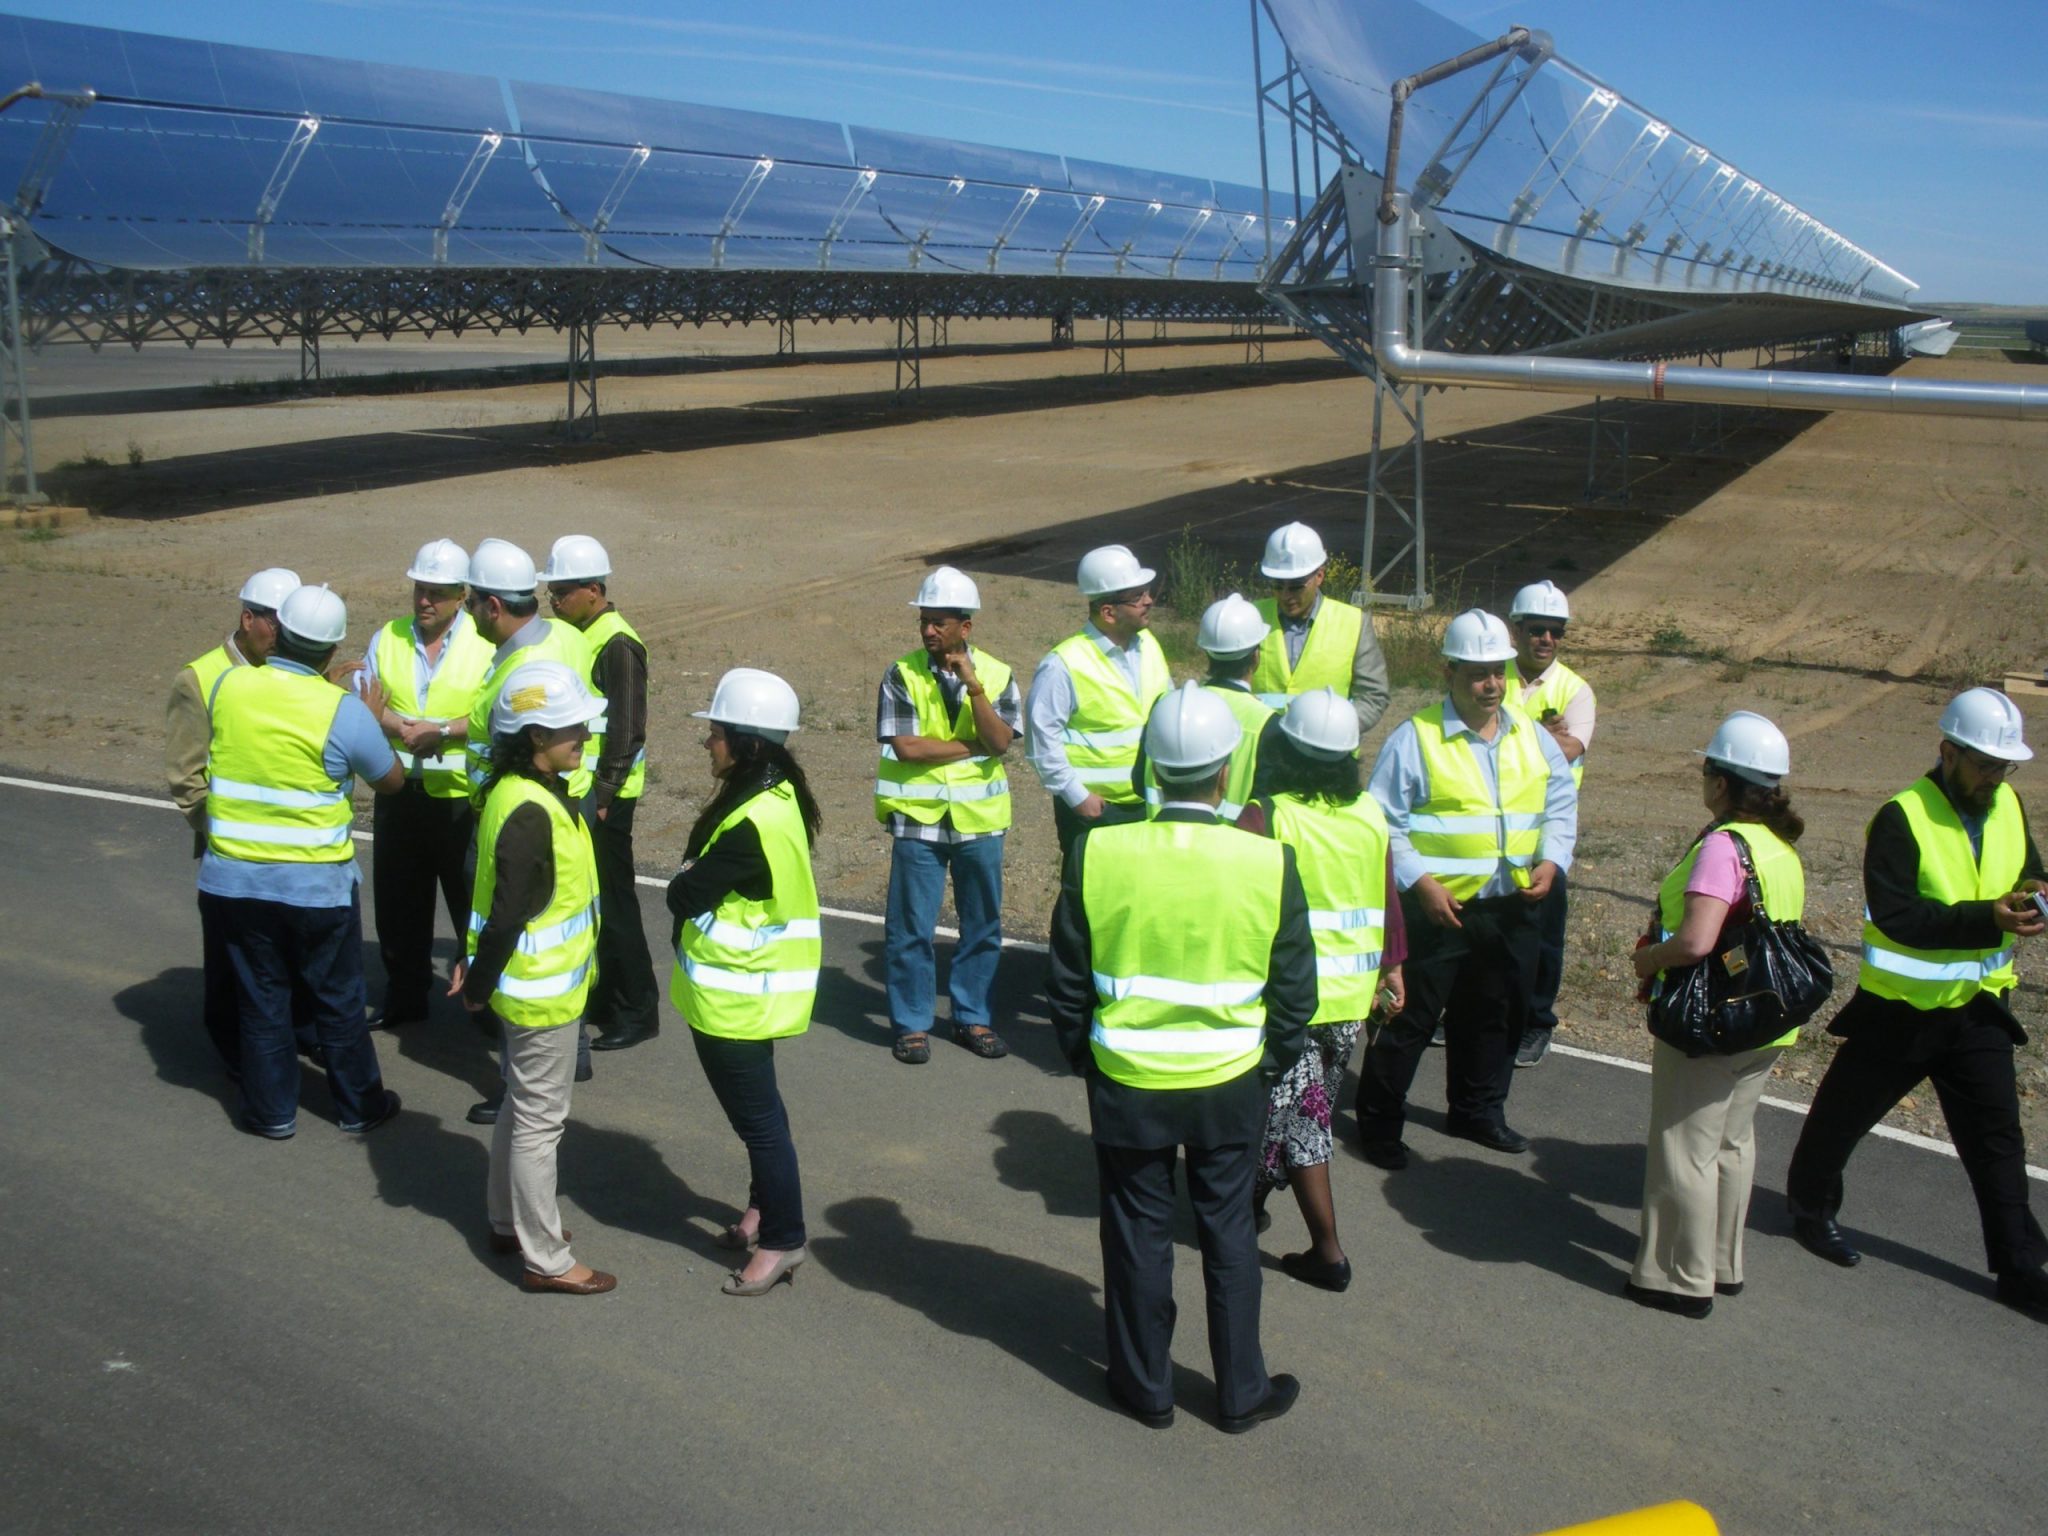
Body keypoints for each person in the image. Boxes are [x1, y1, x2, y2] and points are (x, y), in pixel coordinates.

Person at [1047, 683, 1314, 1433]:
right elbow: (1296, 994)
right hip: (1231, 1078)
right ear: (1225, 771)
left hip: (1127, 1077)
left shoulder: (1097, 850)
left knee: (1137, 1230)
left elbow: (1066, 981)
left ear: (1150, 768)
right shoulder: (1268, 862)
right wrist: (1265, 1067)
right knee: (1227, 1232)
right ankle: (1240, 1393)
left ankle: (1145, 1387)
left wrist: (1087, 1058)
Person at [1785, 688, 2048, 1322]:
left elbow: (2031, 869)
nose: (1995, 777)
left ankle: (2020, 1268)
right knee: (1841, 1119)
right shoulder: (1901, 816)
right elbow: (1898, 915)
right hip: (1900, 1012)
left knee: (1997, 1140)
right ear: (1947, 752)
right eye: (1985, 763)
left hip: (1977, 1010)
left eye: (2004, 766)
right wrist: (1988, 917)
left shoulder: (2007, 803)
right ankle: (1810, 1209)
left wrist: (2038, 893)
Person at [1356, 609, 1577, 1167]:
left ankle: (1478, 1111)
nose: (1492, 684)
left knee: (1497, 1013)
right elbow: (1384, 822)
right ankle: (1380, 1123)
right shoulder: (1418, 736)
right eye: (1479, 673)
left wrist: (1553, 859)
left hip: (1512, 905)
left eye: (1499, 671)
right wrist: (1420, 883)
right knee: (1407, 1018)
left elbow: (1559, 804)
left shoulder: (1530, 734)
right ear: (1449, 671)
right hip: (1438, 908)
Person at [199, 583, 406, 1138]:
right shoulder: (341, 710)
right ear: (332, 652)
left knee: (262, 998)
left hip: (235, 879)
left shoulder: (229, 686)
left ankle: (271, 1113)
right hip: (316, 886)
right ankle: (360, 1105)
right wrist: (364, 715)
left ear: (279, 633)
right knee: (338, 1000)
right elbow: (391, 780)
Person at [1626, 712, 1807, 1319]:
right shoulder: (1780, 847)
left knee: (1685, 1148)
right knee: (1732, 1142)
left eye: (1708, 769)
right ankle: (1724, 1263)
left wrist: (1647, 959)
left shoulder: (1723, 848)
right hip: (1768, 1021)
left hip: (1712, 1021)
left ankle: (1680, 1277)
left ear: (1723, 782)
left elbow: (1698, 941)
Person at [450, 659, 615, 1296]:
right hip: (541, 994)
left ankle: (505, 1221)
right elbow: (508, 913)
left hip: (533, 986)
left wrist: (480, 978)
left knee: (520, 1108)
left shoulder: (522, 793)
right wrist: (479, 988)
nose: (583, 735)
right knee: (541, 1122)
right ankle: (545, 1257)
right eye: (571, 727)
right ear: (536, 737)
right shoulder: (530, 810)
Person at [1238, 688, 1405, 1292]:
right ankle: (1249, 1203)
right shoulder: (1368, 813)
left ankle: (1328, 1253)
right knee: (1292, 1112)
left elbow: (1239, 903)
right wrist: (1392, 969)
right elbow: (1386, 898)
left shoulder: (1268, 815)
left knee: (1301, 1124)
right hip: (1348, 1003)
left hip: (1290, 1003)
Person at [667, 668, 823, 1297]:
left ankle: (784, 1239)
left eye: (717, 732)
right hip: (751, 992)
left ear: (747, 743)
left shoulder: (748, 822)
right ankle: (763, 1210)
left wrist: (687, 874)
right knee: (763, 1118)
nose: (709, 742)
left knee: (760, 1125)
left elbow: (683, 892)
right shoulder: (778, 793)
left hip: (734, 998)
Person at [460, 537, 592, 1122]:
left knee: (519, 917)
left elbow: (509, 912)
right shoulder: (557, 636)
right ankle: (562, 1058)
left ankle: (522, 1084)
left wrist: (477, 985)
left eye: (470, 605)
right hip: (553, 802)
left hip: (531, 808)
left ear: (492, 606)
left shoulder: (527, 668)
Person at [874, 566, 1022, 1066]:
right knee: (911, 928)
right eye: (924, 621)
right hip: (918, 820)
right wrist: (969, 746)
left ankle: (972, 1017)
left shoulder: (998, 676)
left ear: (966, 627)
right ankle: (912, 1024)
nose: (928, 630)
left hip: (979, 822)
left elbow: (1001, 741)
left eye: (939, 622)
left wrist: (974, 687)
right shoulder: (901, 673)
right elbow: (908, 747)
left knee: (983, 925)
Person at [167, 565, 299, 1070]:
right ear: (248, 619)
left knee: (281, 955)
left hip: (289, 842)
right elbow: (186, 776)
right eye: (275, 623)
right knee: (231, 958)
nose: (283, 635)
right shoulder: (199, 678)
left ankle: (286, 1038)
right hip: (231, 848)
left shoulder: (285, 670)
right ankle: (233, 1051)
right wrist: (222, 831)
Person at [359, 539, 493, 1029]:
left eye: (436, 592)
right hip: (399, 792)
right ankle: (404, 997)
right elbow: (367, 697)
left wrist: (443, 731)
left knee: (469, 904)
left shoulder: (484, 643)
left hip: (461, 798)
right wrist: (403, 729)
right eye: (419, 589)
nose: (424, 601)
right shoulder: (387, 637)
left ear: (462, 595)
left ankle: (483, 1002)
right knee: (398, 905)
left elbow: (491, 710)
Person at [540, 535, 661, 1054]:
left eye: (563, 592)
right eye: (552, 593)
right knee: (592, 900)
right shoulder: (582, 634)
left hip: (608, 795)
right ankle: (608, 998)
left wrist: (607, 792)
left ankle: (637, 1010)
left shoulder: (616, 643)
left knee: (613, 903)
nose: (556, 602)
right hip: (587, 789)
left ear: (593, 590)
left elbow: (628, 729)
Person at [1503, 579, 1596, 1069]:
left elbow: (1570, 750)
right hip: (1490, 827)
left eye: (1556, 632)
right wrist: (1541, 734)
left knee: (1543, 936)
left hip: (1546, 833)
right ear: (1516, 630)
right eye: (1537, 629)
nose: (1546, 639)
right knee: (1481, 926)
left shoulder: (1576, 691)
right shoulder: (1490, 672)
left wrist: (1510, 731)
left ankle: (1537, 1024)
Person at [1027, 545, 1171, 855]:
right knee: (1087, 899)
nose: (1149, 600)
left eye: (1146, 591)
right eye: (1137, 596)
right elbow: (1041, 738)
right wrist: (1077, 796)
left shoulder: (1149, 644)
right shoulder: (1064, 663)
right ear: (1108, 612)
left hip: (1149, 803)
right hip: (1098, 812)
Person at [1136, 593, 1274, 820]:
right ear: (1256, 656)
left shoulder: (1165, 707)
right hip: (1231, 854)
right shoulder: (1267, 724)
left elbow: (1139, 783)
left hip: (1159, 847)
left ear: (1206, 651)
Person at [1247, 521, 1389, 732]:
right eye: (1277, 586)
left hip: (1327, 758)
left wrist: (1334, 731)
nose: (1286, 596)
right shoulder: (1249, 618)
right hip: (1262, 753)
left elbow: (1374, 696)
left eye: (1296, 587)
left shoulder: (1353, 622)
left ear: (1319, 576)